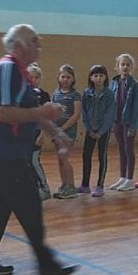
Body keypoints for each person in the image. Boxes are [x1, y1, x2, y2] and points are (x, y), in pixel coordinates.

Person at [0, 24, 76, 275]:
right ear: (18, 45)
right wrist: (44, 112)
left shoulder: (20, 73)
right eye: (34, 41)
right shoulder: (8, 69)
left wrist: (56, 133)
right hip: (7, 152)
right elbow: (2, 113)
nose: (39, 45)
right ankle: (46, 264)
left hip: (6, 151)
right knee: (29, 206)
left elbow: (31, 113)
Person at [108, 53, 138, 192]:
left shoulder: (135, 85)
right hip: (117, 121)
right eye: (122, 64)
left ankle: (129, 179)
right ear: (118, 66)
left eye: (128, 65)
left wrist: (133, 126)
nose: (125, 67)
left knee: (129, 149)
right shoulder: (114, 82)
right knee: (121, 149)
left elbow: (137, 107)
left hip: (128, 122)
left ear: (132, 67)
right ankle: (122, 177)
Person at [80, 64, 114, 197]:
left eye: (101, 75)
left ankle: (100, 185)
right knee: (86, 155)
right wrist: (89, 129)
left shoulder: (109, 94)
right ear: (91, 78)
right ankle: (85, 185)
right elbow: (84, 112)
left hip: (103, 131)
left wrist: (101, 131)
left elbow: (109, 115)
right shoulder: (86, 93)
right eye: (95, 75)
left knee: (102, 156)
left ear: (105, 77)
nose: (98, 78)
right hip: (90, 130)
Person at [52, 64, 82, 200]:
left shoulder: (75, 95)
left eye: (68, 77)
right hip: (56, 133)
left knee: (64, 158)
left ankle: (71, 187)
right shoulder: (56, 94)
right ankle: (65, 185)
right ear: (58, 78)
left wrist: (62, 129)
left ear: (73, 79)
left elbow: (76, 115)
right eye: (63, 76)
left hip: (68, 133)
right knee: (60, 159)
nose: (65, 79)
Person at [26, 63, 53, 201]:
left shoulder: (44, 95)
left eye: (36, 77)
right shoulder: (22, 95)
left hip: (37, 133)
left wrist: (43, 134)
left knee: (34, 160)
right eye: (30, 77)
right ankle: (32, 188)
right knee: (26, 162)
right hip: (24, 134)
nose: (33, 80)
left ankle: (44, 188)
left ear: (40, 78)